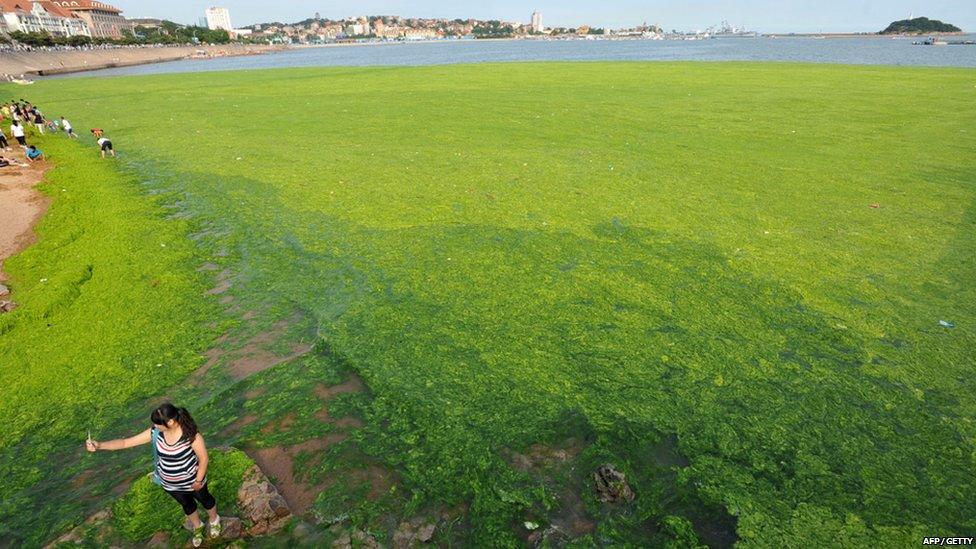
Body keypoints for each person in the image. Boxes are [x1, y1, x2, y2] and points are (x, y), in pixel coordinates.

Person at [86, 404, 222, 547]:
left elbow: (204, 459)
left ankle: (214, 519)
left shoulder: (191, 435)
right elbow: (126, 442)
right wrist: (100, 445)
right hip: (170, 484)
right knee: (187, 505)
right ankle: (197, 526)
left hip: (193, 481)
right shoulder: (155, 432)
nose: (155, 425)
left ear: (170, 422)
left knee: (206, 500)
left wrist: (198, 480)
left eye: (157, 423)